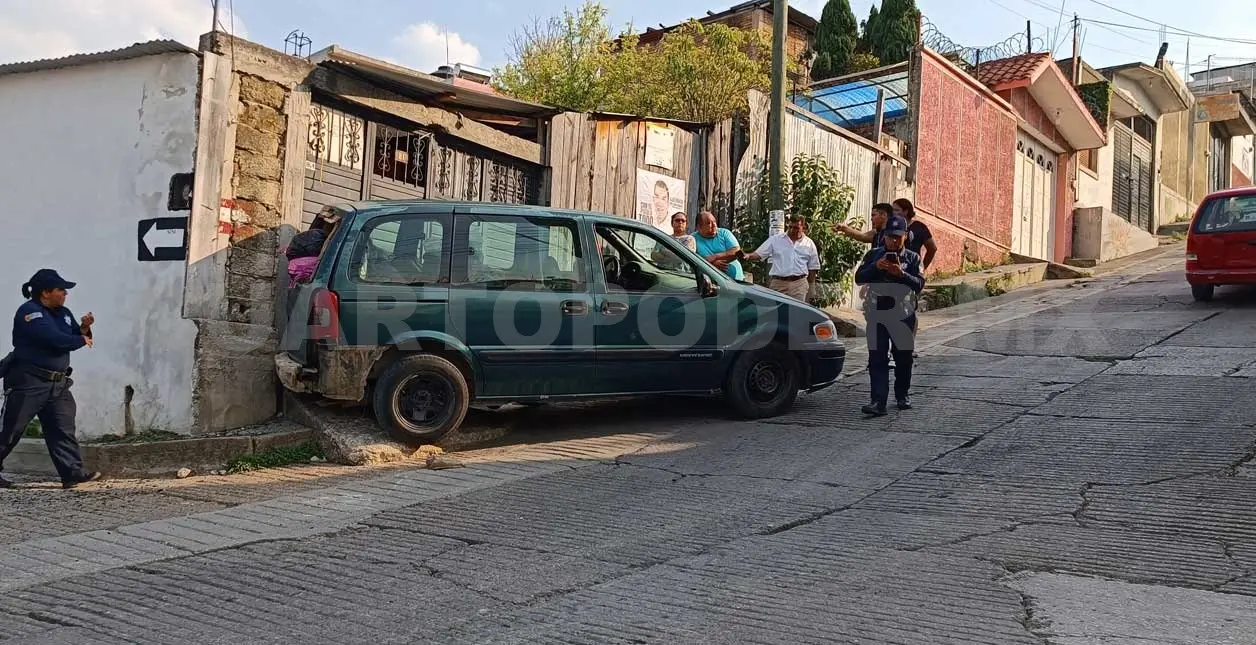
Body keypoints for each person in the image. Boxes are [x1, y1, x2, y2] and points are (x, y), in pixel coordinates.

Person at [0, 270, 101, 489]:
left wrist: (84, 328)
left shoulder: (63, 313)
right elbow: (55, 340)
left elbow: (76, 335)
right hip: (29, 382)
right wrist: (81, 339)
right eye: (61, 290)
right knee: (10, 430)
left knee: (62, 427)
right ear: (45, 293)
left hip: (58, 383)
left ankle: (73, 474)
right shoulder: (30, 313)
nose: (65, 294)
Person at [854, 216, 925, 417]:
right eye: (890, 237)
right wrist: (876, 267)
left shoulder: (913, 258)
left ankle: (902, 394)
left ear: (905, 237)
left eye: (897, 237)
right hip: (877, 312)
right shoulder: (874, 255)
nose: (893, 241)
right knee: (877, 357)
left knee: (903, 358)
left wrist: (901, 274)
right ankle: (878, 401)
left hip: (902, 313)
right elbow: (859, 278)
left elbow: (919, 284)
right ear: (884, 236)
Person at [739, 215, 821, 302]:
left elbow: (813, 267)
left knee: (797, 309)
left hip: (799, 284)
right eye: (790, 227)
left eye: (796, 228)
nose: (792, 230)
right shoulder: (776, 239)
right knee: (776, 309)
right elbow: (759, 253)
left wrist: (811, 287)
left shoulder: (809, 244)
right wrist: (748, 256)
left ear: (803, 228)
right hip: (778, 283)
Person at [694, 211, 744, 281]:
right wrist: (710, 264)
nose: (714, 225)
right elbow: (691, 258)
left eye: (714, 221)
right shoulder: (692, 239)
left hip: (736, 280)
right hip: (710, 282)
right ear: (699, 227)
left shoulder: (724, 233)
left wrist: (714, 257)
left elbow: (737, 252)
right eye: (709, 223)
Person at [893, 198, 937, 270]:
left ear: (905, 211)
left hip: (912, 267)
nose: (893, 213)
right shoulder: (892, 226)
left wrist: (923, 268)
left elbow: (932, 248)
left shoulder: (919, 227)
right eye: (893, 210)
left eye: (896, 210)